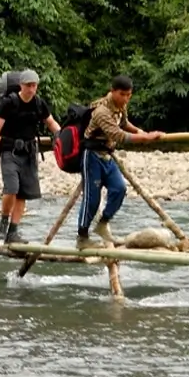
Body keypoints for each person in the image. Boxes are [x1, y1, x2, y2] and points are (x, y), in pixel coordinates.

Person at [76, 75, 165, 249]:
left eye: (129, 95)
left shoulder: (121, 106)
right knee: (91, 199)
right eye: (122, 94)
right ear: (113, 91)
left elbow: (124, 123)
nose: (125, 98)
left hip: (108, 155)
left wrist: (141, 131)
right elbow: (118, 135)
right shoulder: (101, 111)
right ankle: (82, 237)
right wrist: (145, 137)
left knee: (119, 189)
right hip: (92, 156)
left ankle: (103, 224)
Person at [0, 70, 60, 244]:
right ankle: (4, 221)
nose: (31, 89)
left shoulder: (39, 104)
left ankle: (13, 231)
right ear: (21, 85)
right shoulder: (9, 103)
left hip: (29, 153)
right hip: (9, 151)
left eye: (34, 85)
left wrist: (62, 137)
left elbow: (51, 123)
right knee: (11, 188)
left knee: (23, 194)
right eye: (28, 85)